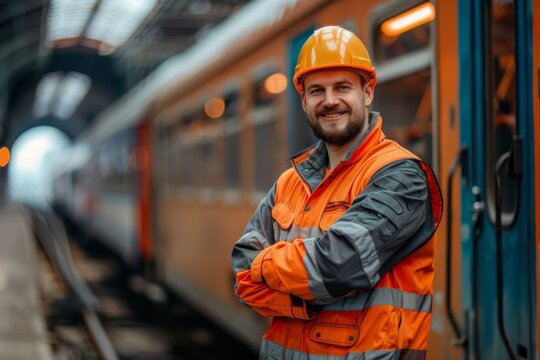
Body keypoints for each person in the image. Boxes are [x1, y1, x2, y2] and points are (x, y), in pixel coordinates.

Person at [231, 26, 443, 360]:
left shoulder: (402, 177)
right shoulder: (289, 182)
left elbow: (342, 265)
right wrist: (308, 295)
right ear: (303, 100)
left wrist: (268, 264)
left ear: (368, 91)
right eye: (317, 91)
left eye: (342, 87)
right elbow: (242, 270)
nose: (330, 101)